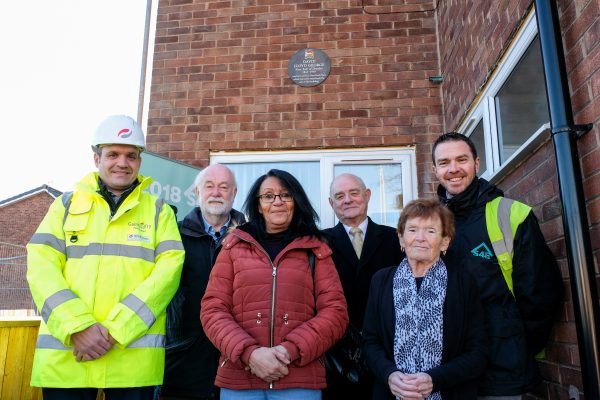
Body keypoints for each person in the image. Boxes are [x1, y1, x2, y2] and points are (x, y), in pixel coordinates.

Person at [26, 115, 184, 400]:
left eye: (131, 156)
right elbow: (41, 268)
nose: (122, 163)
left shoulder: (160, 211)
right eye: (112, 154)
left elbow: (167, 276)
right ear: (96, 158)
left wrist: (116, 330)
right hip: (69, 358)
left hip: (130, 360)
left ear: (139, 161)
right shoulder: (65, 205)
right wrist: (78, 327)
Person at [432, 132, 564, 399]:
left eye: (462, 159)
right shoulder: (430, 223)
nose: (453, 169)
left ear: (477, 163)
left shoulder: (510, 213)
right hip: (448, 374)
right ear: (435, 170)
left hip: (504, 374)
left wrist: (516, 347)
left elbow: (540, 293)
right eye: (444, 162)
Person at [200, 169, 349, 400]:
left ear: (296, 202)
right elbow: (213, 310)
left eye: (285, 195)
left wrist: (288, 351)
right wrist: (250, 354)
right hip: (240, 379)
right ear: (258, 205)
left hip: (299, 378)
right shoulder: (233, 246)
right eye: (268, 196)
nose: (277, 202)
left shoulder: (316, 248)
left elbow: (336, 313)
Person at [363, 198, 488, 400]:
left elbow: (478, 352)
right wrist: (389, 374)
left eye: (430, 231)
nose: (420, 238)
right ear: (401, 239)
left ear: (445, 241)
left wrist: (435, 379)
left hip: (450, 393)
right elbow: (370, 341)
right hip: (390, 393)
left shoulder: (463, 282)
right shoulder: (381, 280)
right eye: (412, 230)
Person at [161, 164, 246, 400]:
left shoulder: (250, 238)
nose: (216, 192)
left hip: (238, 359)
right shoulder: (173, 235)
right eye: (209, 186)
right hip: (182, 359)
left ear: (234, 193)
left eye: (224, 187)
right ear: (197, 193)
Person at [322, 173, 403, 399]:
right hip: (338, 356)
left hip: (388, 353)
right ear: (331, 203)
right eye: (339, 196)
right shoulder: (319, 243)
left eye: (354, 193)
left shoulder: (396, 239)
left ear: (367, 195)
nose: (347, 200)